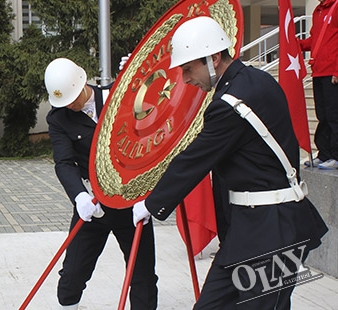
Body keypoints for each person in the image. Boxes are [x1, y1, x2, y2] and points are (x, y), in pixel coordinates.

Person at [131, 16, 328, 308]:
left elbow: (194, 160)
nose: (185, 79)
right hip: (249, 230)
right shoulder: (255, 79)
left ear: (213, 57)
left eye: (188, 69)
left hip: (274, 231)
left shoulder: (232, 103)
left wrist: (151, 204)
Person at [44, 58, 159, 309]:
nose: (71, 106)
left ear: (83, 82)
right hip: (94, 204)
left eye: (73, 98)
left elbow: (154, 112)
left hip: (132, 202)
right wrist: (79, 197)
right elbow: (64, 162)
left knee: (143, 277)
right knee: (72, 275)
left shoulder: (118, 96)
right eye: (64, 102)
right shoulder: (59, 119)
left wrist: (140, 72)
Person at [299, 0, 338, 169]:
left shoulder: (336, 7)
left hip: (332, 72)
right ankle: (324, 153)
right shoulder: (318, 11)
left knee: (333, 115)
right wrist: (296, 44)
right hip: (318, 70)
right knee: (322, 114)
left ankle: (336, 155)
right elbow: (315, 39)